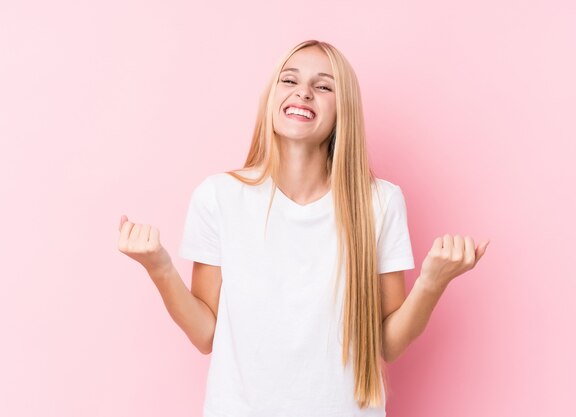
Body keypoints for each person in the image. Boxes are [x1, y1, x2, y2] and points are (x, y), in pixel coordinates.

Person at [118, 39, 489, 416]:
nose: (303, 93)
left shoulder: (379, 202)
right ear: (272, 97)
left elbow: (387, 344)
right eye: (289, 80)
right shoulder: (219, 197)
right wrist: (160, 268)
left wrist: (432, 282)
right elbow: (204, 334)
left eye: (323, 86)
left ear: (343, 110)